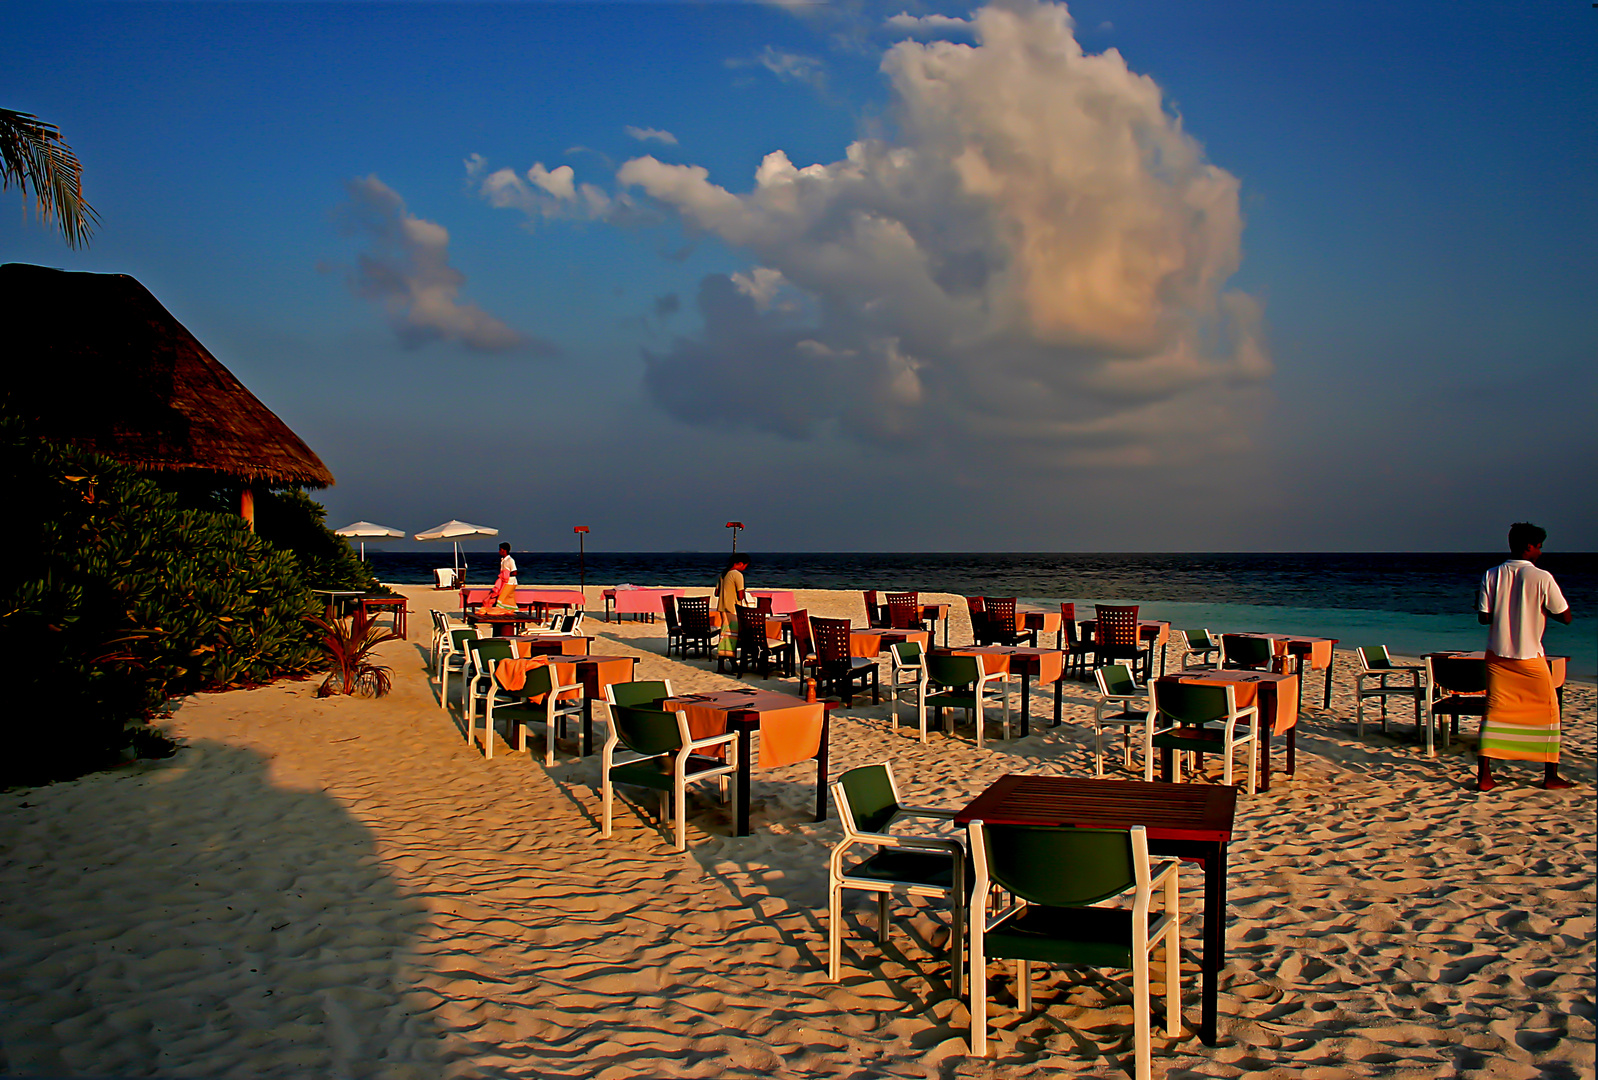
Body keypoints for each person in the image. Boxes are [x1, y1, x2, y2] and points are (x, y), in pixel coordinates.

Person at [1474, 522, 1573, 791]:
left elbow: (1484, 617)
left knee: (1493, 712)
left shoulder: (1491, 574)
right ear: (1529, 546)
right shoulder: (1542, 577)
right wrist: (1537, 608)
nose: (1540, 552)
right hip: (1529, 656)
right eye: (1539, 547)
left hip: (1497, 655)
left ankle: (1484, 776)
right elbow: (1565, 617)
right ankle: (1550, 775)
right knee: (1549, 712)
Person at [715, 554, 749, 670]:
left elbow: (716, 593)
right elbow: (740, 595)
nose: (745, 568)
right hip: (733, 609)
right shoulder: (737, 575)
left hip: (722, 607)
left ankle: (724, 663)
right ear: (740, 564)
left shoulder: (723, 574)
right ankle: (731, 664)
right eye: (745, 566)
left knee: (724, 635)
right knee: (732, 637)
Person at [481, 542, 519, 614]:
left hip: (510, 582)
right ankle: (506, 611)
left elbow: (515, 572)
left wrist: (506, 575)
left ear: (504, 550)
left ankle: (509, 612)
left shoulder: (510, 560)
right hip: (504, 582)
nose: (499, 551)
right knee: (505, 599)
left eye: (500, 549)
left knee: (502, 599)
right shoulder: (503, 560)